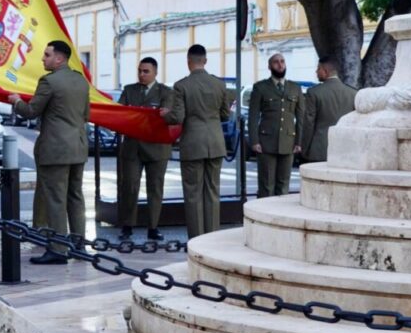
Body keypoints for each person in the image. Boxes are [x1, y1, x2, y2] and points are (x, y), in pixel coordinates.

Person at [8, 40, 89, 264]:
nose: (43, 59)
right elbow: (86, 114)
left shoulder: (49, 82)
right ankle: (79, 244)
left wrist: (15, 101)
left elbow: (31, 111)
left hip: (55, 149)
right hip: (78, 146)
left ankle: (58, 249)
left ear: (59, 59)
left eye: (46, 55)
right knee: (75, 196)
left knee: (55, 199)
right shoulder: (81, 81)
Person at [160, 44, 231, 240]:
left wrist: (166, 115)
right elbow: (226, 115)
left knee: (193, 194)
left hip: (193, 144)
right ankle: (212, 238)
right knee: (212, 192)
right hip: (216, 143)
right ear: (205, 61)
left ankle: (197, 239)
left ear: (188, 62)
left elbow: (178, 117)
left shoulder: (182, 86)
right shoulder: (219, 84)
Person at [116, 57, 174, 241]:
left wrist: (166, 114)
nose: (142, 74)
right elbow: (120, 113)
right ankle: (127, 226)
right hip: (133, 147)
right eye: (140, 71)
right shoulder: (129, 90)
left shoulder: (165, 92)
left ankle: (153, 227)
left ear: (155, 73)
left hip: (157, 149)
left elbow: (171, 116)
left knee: (155, 188)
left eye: (146, 71)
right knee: (129, 187)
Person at [248, 53, 305, 198]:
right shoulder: (260, 87)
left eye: (282, 62)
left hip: (288, 142)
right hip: (266, 143)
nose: (280, 65)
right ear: (269, 66)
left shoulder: (295, 88)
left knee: (284, 185)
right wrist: (254, 141)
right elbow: (253, 116)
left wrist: (299, 141)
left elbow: (301, 117)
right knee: (267, 185)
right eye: (276, 62)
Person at [301, 56, 357, 163]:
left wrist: (304, 148)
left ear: (325, 71)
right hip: (346, 149)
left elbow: (308, 124)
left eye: (318, 69)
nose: (316, 71)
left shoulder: (314, 93)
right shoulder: (353, 93)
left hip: (319, 150)